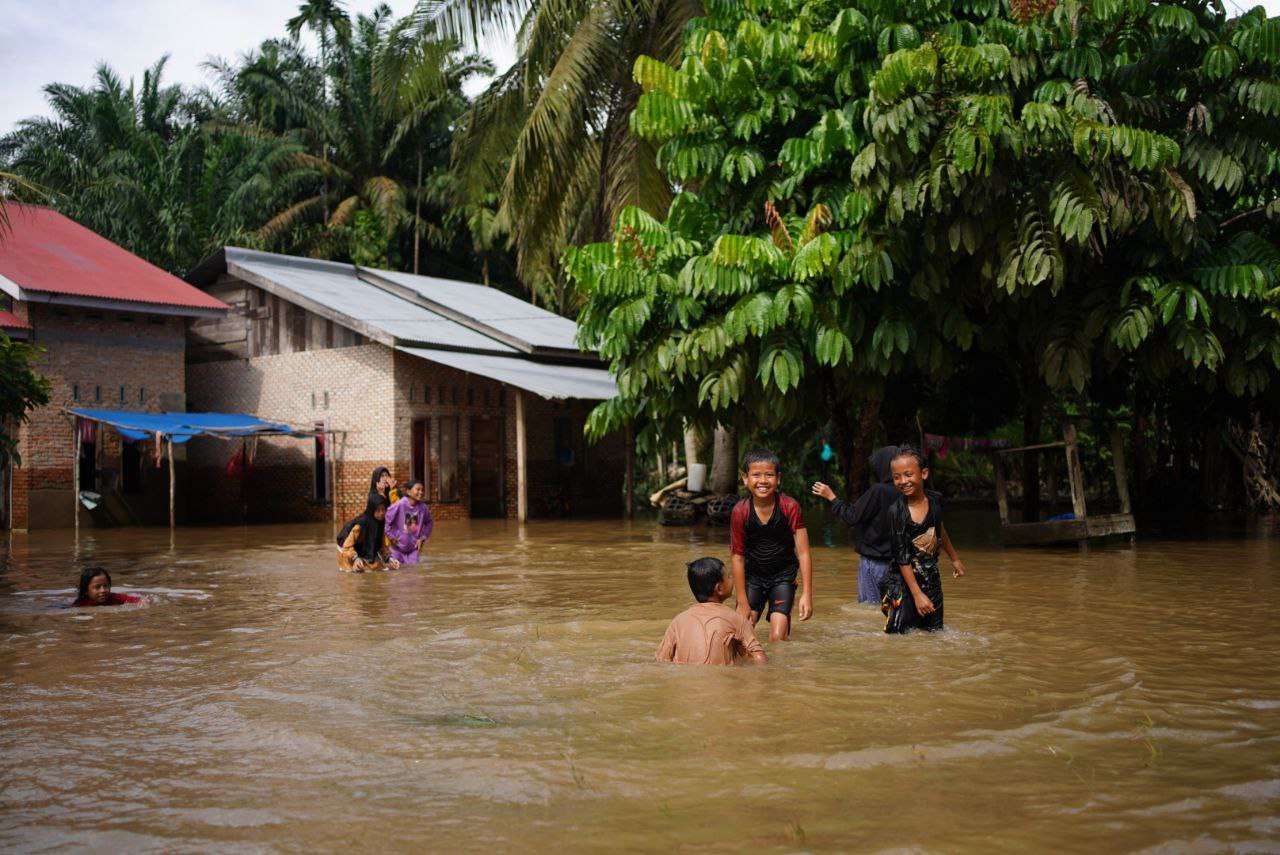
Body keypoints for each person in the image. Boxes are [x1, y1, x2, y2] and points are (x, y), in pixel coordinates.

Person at [729, 449, 814, 641]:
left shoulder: (789, 507)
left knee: (777, 638)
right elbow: (737, 557)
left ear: (778, 478)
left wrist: (807, 595)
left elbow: (803, 554)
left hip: (783, 577)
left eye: (769, 475)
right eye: (756, 475)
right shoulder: (740, 511)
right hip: (753, 578)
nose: (763, 481)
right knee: (740, 636)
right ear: (745, 478)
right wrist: (742, 600)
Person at [881, 446, 967, 633]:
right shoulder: (896, 512)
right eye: (897, 477)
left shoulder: (935, 502)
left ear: (924, 473)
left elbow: (939, 531)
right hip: (903, 584)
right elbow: (902, 557)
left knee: (935, 632)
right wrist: (917, 594)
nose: (903, 481)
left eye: (908, 474)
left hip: (931, 578)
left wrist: (954, 559)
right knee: (898, 635)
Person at [811, 445, 900, 605]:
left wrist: (831, 497)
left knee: (869, 610)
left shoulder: (879, 491)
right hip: (898, 566)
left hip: (873, 563)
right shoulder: (906, 493)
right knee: (892, 611)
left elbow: (852, 516)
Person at [656, 557, 766, 665]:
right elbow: (760, 660)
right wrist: (743, 652)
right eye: (728, 576)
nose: (732, 578)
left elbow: (661, 660)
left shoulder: (678, 621)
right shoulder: (736, 619)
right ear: (719, 588)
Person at [337, 494, 399, 572]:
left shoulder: (381, 524)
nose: (382, 513)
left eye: (383, 509)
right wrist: (355, 559)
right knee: (352, 573)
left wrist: (389, 559)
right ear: (372, 510)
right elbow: (346, 547)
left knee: (379, 569)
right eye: (378, 510)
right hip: (346, 549)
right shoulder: (360, 525)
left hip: (364, 550)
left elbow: (381, 547)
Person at [385, 479, 433, 565]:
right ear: (408, 491)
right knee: (396, 575)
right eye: (418, 489)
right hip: (397, 549)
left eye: (422, 490)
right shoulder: (400, 504)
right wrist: (391, 536)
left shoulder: (423, 508)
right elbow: (387, 520)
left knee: (414, 573)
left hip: (413, 550)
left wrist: (422, 537)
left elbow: (429, 522)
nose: (421, 492)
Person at [70, 567, 141, 607]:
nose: (103, 590)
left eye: (105, 586)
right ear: (86, 590)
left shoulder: (114, 598)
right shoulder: (80, 605)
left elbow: (140, 600)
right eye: (97, 587)